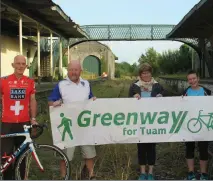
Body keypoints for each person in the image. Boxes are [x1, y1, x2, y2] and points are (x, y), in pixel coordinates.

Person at [48, 60, 97, 180]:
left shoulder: (86, 84)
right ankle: (63, 176)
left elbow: (90, 98)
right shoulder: (61, 85)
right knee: (65, 154)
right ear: (68, 71)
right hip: (68, 125)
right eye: (71, 70)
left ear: (80, 71)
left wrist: (94, 99)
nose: (73, 72)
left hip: (84, 124)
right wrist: (55, 103)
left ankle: (91, 175)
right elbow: (50, 101)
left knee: (89, 152)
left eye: (75, 70)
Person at [0, 55, 38, 180]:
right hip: (7, 124)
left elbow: (33, 101)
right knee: (6, 157)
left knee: (22, 156)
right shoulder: (3, 81)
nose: (21, 66)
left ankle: (21, 178)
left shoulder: (30, 82)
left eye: (23, 64)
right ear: (13, 65)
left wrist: (33, 119)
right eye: (18, 63)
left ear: (26, 66)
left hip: (24, 124)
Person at [128, 63, 165, 180]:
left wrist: (161, 96)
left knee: (151, 147)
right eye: (143, 73)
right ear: (140, 74)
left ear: (151, 73)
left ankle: (150, 173)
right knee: (141, 146)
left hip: (153, 121)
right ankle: (143, 172)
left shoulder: (157, 85)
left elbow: (166, 97)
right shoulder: (134, 86)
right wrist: (133, 98)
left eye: (148, 72)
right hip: (139, 121)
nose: (146, 75)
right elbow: (127, 100)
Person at [183, 70, 211, 180]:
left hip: (204, 125)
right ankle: (191, 173)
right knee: (189, 148)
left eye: (194, 78)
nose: (192, 81)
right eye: (190, 79)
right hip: (189, 124)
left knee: (203, 149)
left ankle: (203, 174)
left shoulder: (207, 92)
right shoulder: (185, 92)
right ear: (188, 81)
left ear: (198, 79)